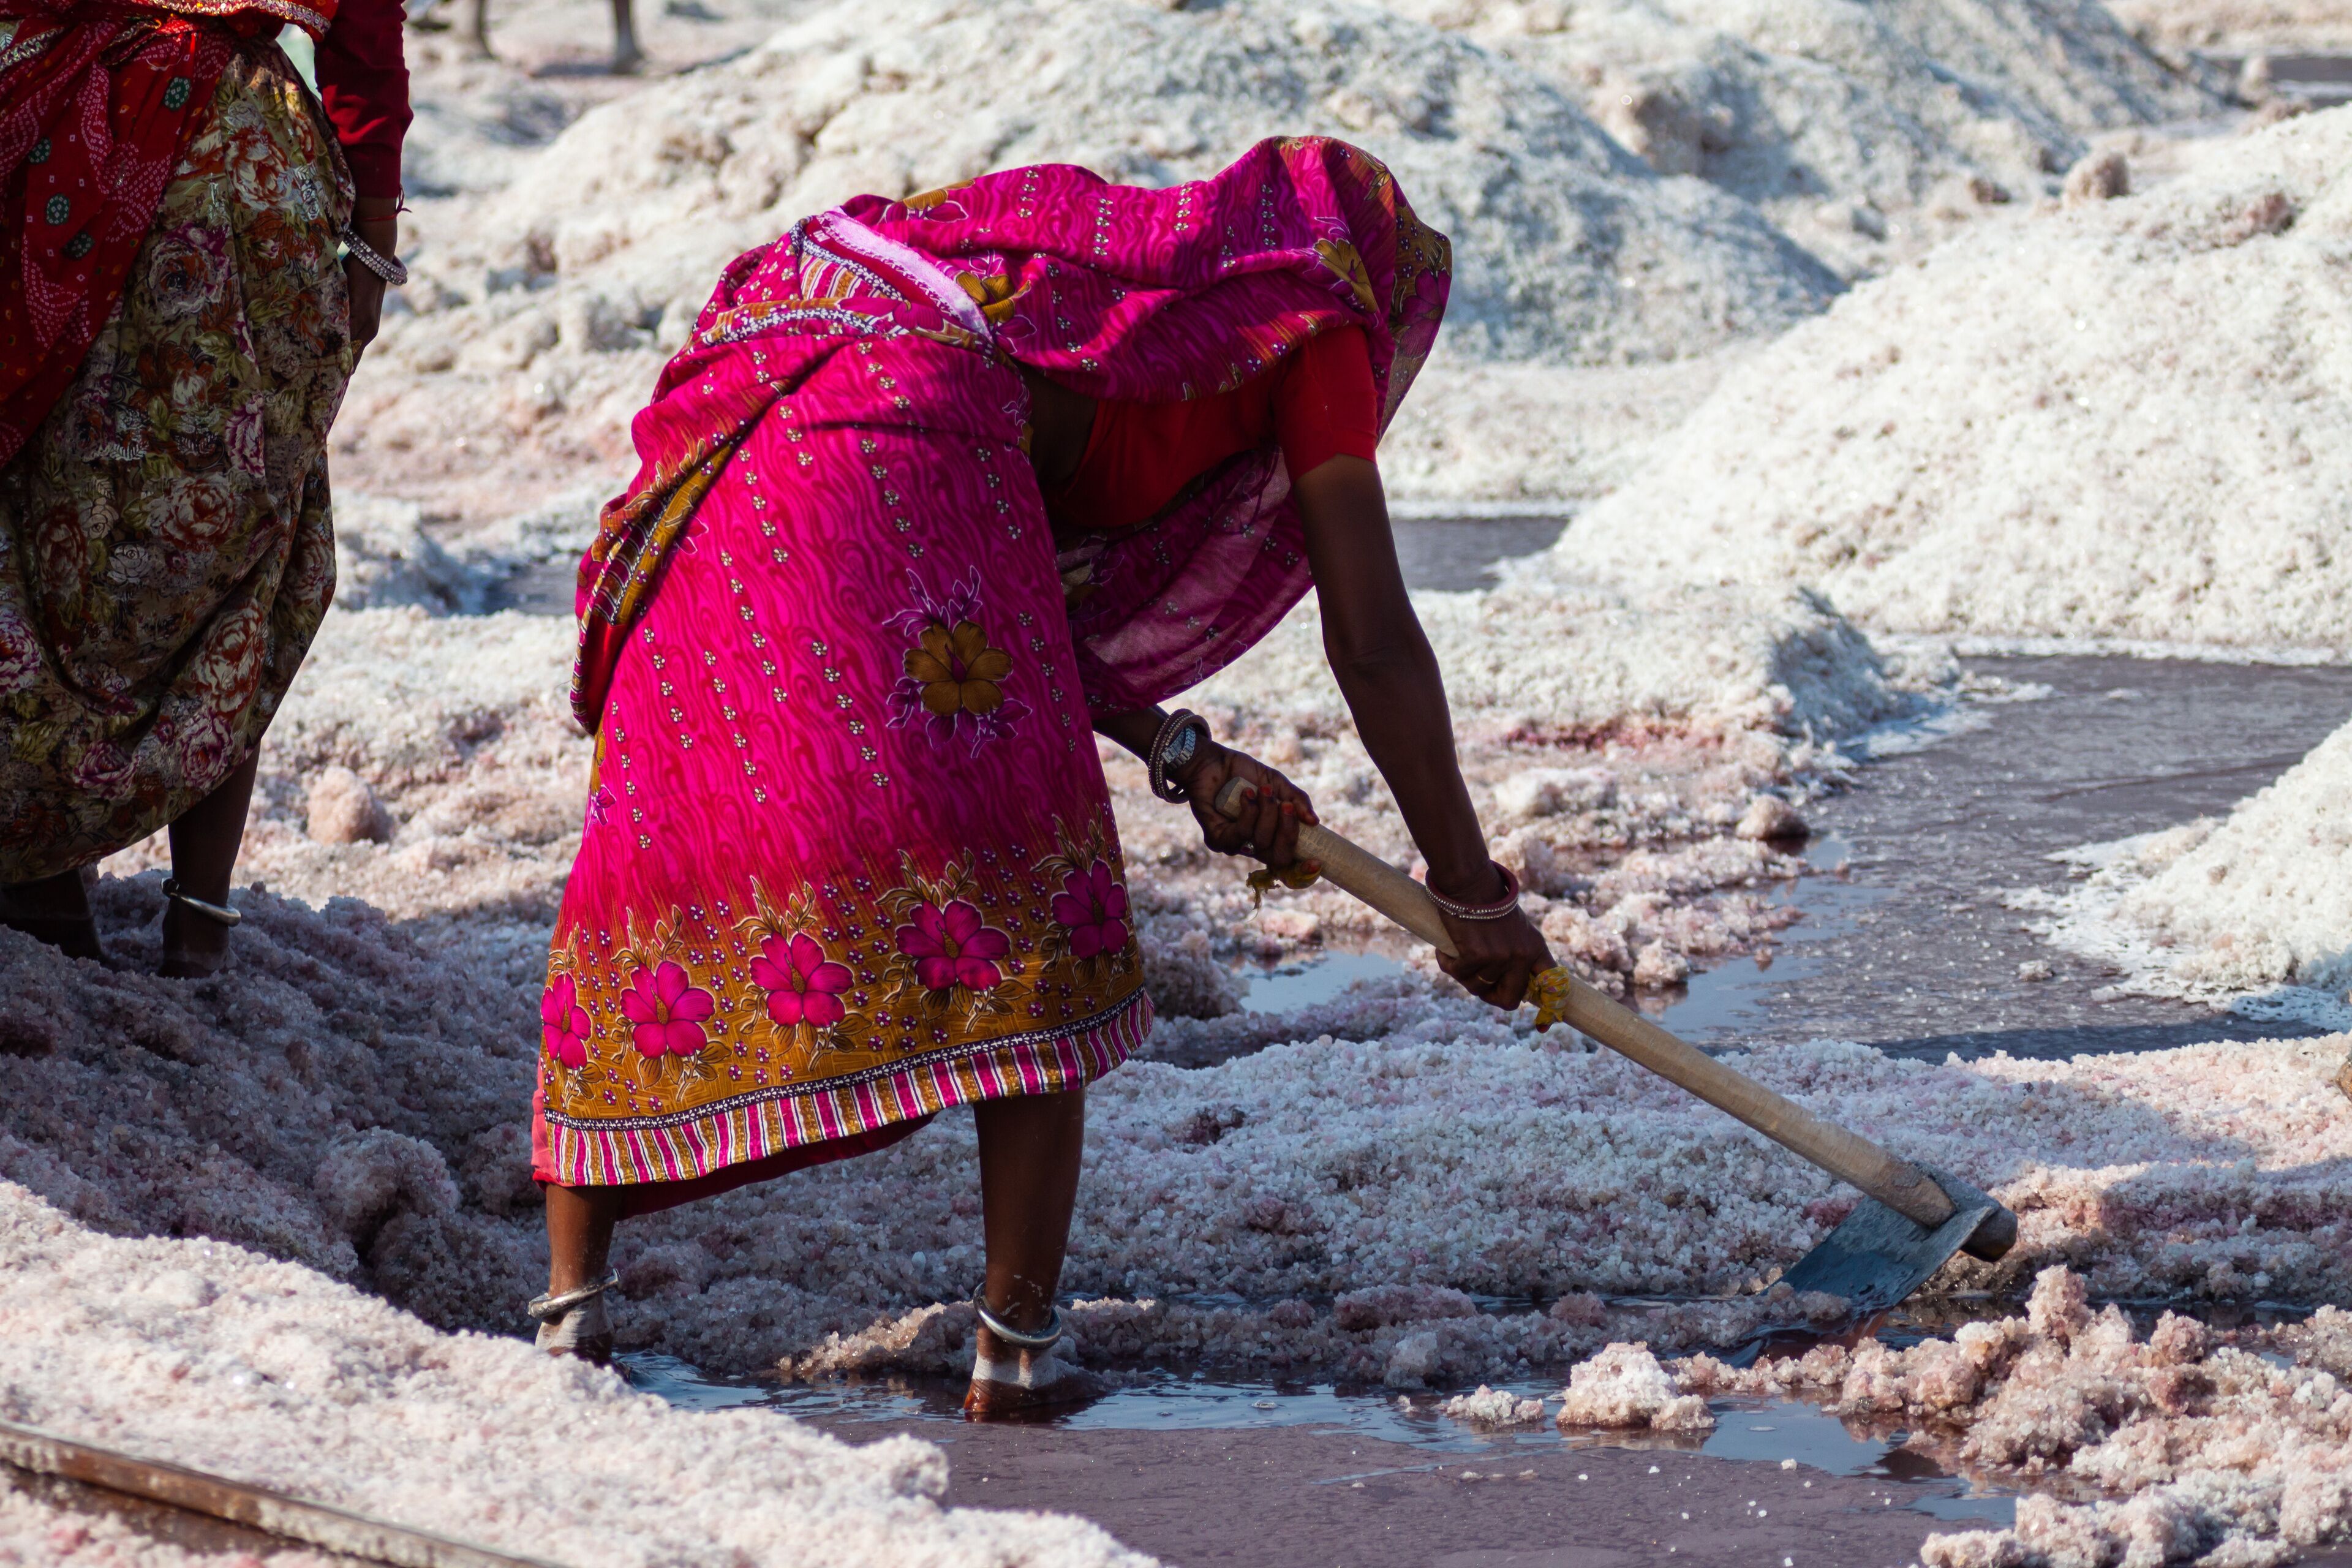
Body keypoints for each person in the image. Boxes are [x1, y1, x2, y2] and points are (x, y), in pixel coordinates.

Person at [527, 137, 1555, 1414]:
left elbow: (1000, 590)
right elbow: (1375, 638)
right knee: (1026, 897)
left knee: (664, 865)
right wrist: (1468, 885)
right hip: (899, 442)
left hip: (748, 434)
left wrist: (1185, 753)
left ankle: (570, 1308)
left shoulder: (1080, 273)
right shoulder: (1317, 320)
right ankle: (1016, 1350)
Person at [0, 0, 407, 974]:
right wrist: (374, 236)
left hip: (73, 154)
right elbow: (365, 41)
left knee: (53, 526)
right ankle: (198, 919)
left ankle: (43, 885)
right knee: (248, 534)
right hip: (249, 174)